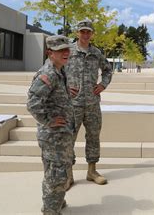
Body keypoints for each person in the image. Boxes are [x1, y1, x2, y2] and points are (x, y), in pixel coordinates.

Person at [27, 35, 75, 215]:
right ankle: (50, 210)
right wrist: (49, 120)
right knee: (56, 175)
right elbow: (33, 103)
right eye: (60, 50)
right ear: (49, 53)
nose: (66, 53)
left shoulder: (60, 70)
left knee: (58, 170)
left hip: (61, 134)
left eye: (67, 49)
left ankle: (56, 202)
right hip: (53, 135)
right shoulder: (47, 74)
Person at [65, 19, 112, 188]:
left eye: (88, 32)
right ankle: (68, 174)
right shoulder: (67, 51)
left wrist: (102, 84)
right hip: (72, 104)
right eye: (82, 31)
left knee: (93, 137)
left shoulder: (96, 53)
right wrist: (64, 88)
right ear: (77, 33)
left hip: (92, 104)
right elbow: (55, 69)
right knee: (69, 139)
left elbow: (107, 70)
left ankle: (92, 171)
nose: (85, 34)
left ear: (92, 34)